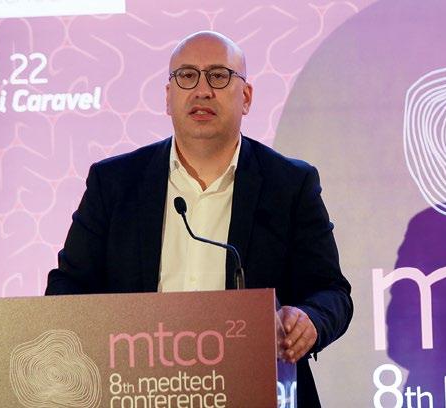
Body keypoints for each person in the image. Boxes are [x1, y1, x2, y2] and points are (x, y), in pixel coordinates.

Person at [46, 31, 352, 407]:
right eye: (187, 76)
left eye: (219, 76)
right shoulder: (114, 183)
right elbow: (67, 288)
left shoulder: (289, 184)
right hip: (137, 391)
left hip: (257, 390)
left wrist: (309, 319)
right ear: (168, 97)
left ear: (246, 97)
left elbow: (332, 292)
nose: (202, 90)